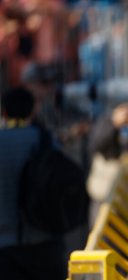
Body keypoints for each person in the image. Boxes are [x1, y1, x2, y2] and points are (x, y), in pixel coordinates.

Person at [0, 87, 67, 280]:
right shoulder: (44, 140)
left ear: (4, 111)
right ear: (32, 110)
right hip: (44, 244)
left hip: (5, 248)